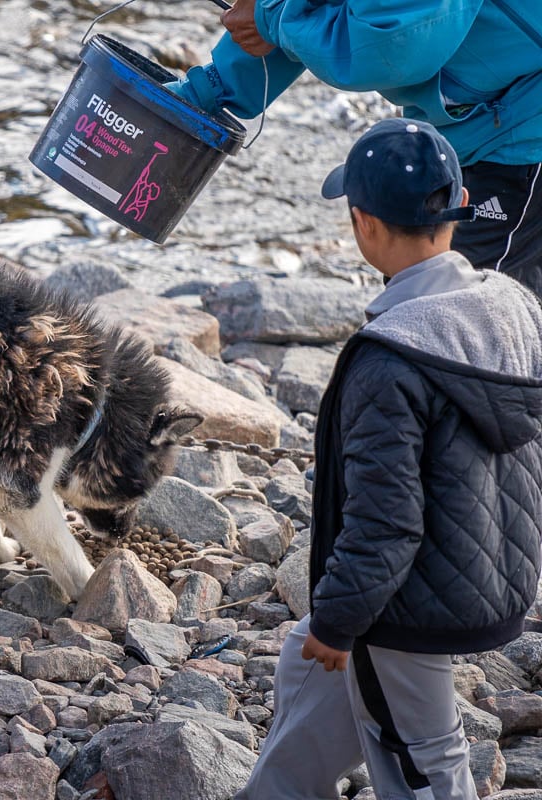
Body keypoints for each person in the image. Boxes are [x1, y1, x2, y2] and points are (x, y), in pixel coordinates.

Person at [234, 119, 542, 800]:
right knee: (308, 666)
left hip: (408, 604)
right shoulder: (514, 305)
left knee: (421, 756)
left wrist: (341, 619)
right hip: (495, 569)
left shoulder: (389, 358)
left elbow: (385, 522)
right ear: (459, 208)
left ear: (363, 224)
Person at [166, 0, 542, 297]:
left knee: (467, 312)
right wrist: (205, 93)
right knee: (416, 288)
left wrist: (272, 17)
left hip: (521, 126)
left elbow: (389, 43)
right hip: (474, 115)